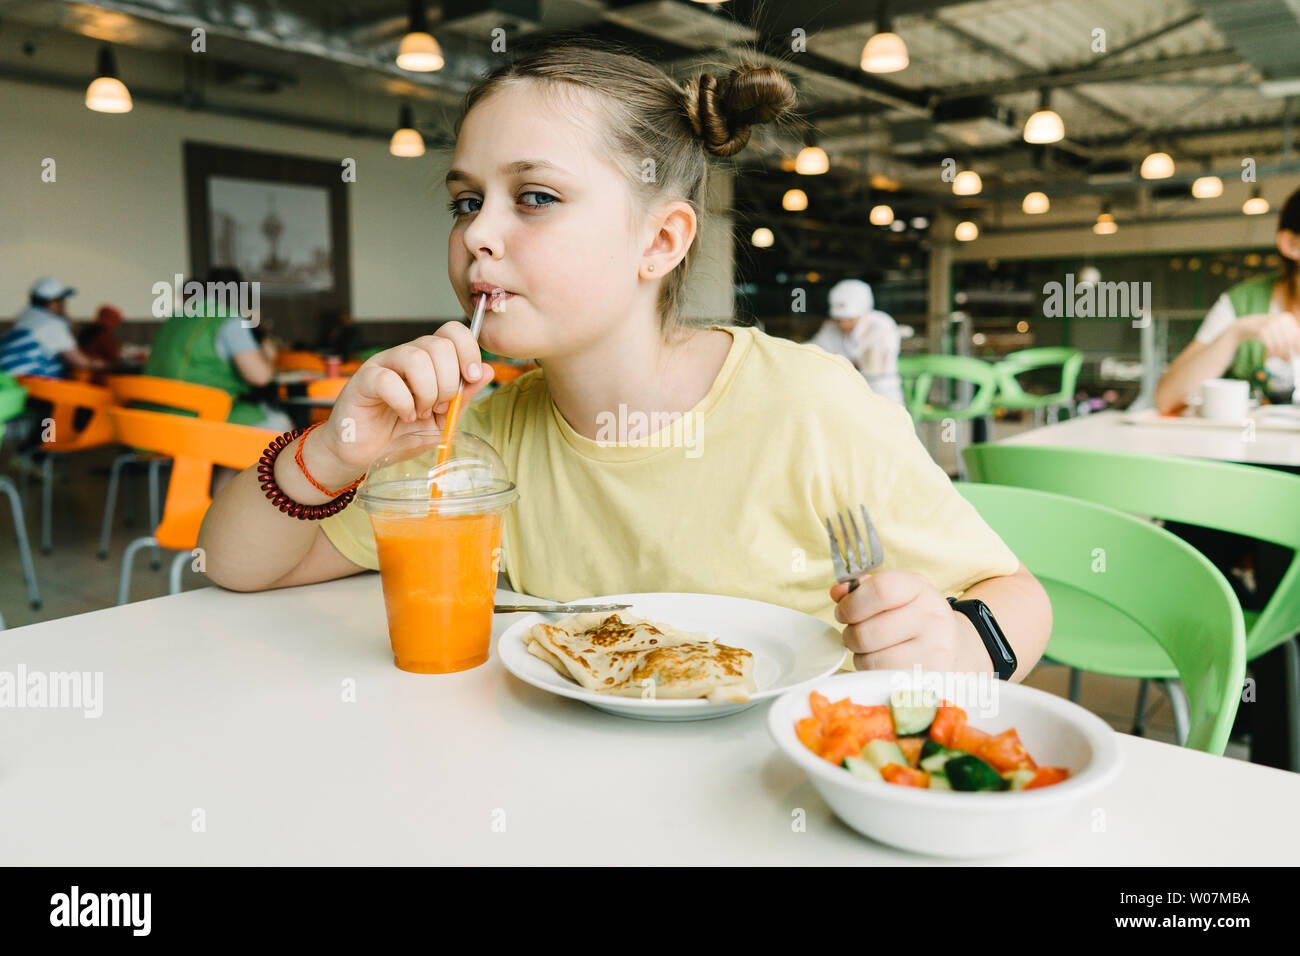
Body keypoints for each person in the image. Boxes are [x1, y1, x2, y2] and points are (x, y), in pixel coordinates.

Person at [198, 39, 1051, 678]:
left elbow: (1016, 589)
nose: (477, 235)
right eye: (466, 201)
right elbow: (236, 568)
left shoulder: (808, 405)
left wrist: (963, 646)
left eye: (535, 197)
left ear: (660, 240)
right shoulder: (476, 438)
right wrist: (332, 453)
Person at [1156, 188, 1300, 413]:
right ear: (1291, 244)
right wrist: (1236, 333)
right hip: (1256, 447)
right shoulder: (1241, 303)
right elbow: (1168, 399)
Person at [143, 267, 291, 431]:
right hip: (193, 423)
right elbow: (260, 376)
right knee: (280, 423)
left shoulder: (177, 318)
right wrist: (269, 357)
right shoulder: (228, 320)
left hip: (152, 421)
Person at [808, 279, 905, 405]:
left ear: (863, 312)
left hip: (881, 394)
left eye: (850, 319)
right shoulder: (831, 328)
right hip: (842, 395)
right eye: (839, 319)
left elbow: (872, 368)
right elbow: (812, 350)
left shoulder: (881, 326)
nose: (844, 324)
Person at [0, 277, 106, 378]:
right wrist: (103, 365)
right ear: (54, 302)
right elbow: (80, 362)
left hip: (7, 380)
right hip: (30, 385)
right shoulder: (51, 324)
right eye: (62, 300)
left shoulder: (23, 316)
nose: (64, 304)